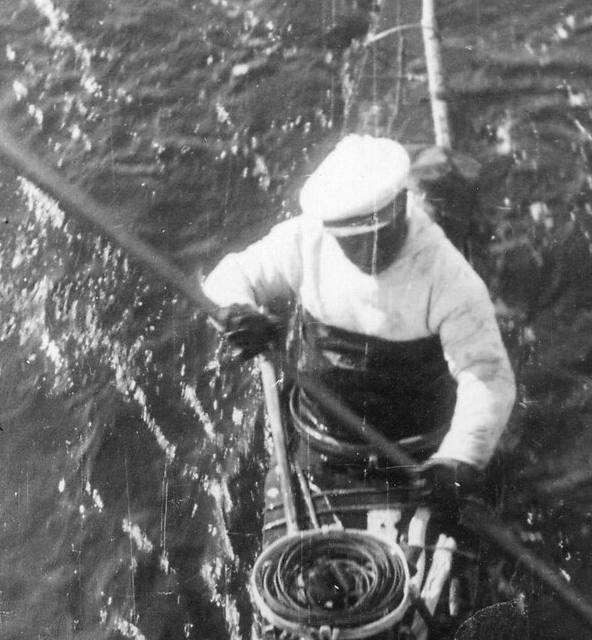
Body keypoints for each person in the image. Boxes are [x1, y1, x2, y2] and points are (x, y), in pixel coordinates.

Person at [203, 134, 516, 518]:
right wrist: (237, 312)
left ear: (402, 206)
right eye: (353, 242)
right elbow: (230, 276)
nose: (369, 254)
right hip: (319, 442)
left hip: (418, 461)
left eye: (380, 235)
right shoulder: (306, 239)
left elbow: (486, 376)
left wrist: (457, 459)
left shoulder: (449, 275)